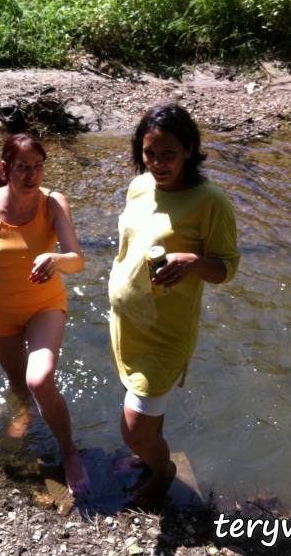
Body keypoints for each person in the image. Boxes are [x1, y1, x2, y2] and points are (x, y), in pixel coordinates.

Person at [108, 104, 240, 509]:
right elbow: (129, 248)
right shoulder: (139, 186)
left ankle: (163, 470)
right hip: (128, 323)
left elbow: (227, 268)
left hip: (166, 332)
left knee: (133, 427)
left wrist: (192, 261)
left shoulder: (210, 201)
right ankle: (152, 453)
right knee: (148, 414)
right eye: (149, 153)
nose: (158, 163)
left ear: (188, 150)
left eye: (168, 153)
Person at [0, 133, 90, 495]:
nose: (32, 175)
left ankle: (69, 451)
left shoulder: (53, 203)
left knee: (38, 378)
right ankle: (26, 413)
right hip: (0, 311)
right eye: (22, 168)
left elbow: (77, 260)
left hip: (45, 305)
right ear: (5, 169)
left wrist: (56, 259)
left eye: (38, 167)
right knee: (18, 384)